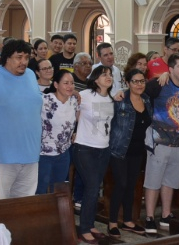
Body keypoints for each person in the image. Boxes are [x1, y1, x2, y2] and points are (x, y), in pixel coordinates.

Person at [0, 39, 43, 199]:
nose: (23, 62)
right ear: (6, 58)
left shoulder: (31, 75)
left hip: (31, 155)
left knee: (23, 208)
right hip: (1, 156)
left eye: (26, 57)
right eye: (19, 57)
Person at [143, 53, 179, 235]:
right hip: (159, 140)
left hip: (178, 141)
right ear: (170, 70)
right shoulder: (159, 84)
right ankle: (149, 217)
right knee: (153, 180)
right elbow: (138, 89)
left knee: (170, 180)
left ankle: (165, 214)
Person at [107, 68, 152, 237]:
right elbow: (106, 116)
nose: (139, 85)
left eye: (142, 81)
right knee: (121, 184)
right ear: (127, 82)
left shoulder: (147, 100)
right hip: (119, 149)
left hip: (138, 150)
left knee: (131, 186)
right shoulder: (120, 99)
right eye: (135, 81)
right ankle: (112, 222)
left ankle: (127, 220)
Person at [73, 65, 115, 243]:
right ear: (95, 78)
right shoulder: (86, 95)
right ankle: (83, 229)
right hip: (84, 147)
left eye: (110, 74)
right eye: (104, 74)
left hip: (103, 149)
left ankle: (89, 224)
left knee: (94, 188)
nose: (108, 77)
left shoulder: (112, 99)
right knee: (91, 187)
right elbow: (72, 112)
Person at [37, 69, 78, 195]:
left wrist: (76, 132)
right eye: (66, 83)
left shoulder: (74, 101)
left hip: (64, 153)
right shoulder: (44, 100)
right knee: (41, 190)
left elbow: (79, 117)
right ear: (56, 84)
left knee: (58, 190)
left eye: (72, 83)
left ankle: (54, 214)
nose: (70, 86)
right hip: (44, 153)